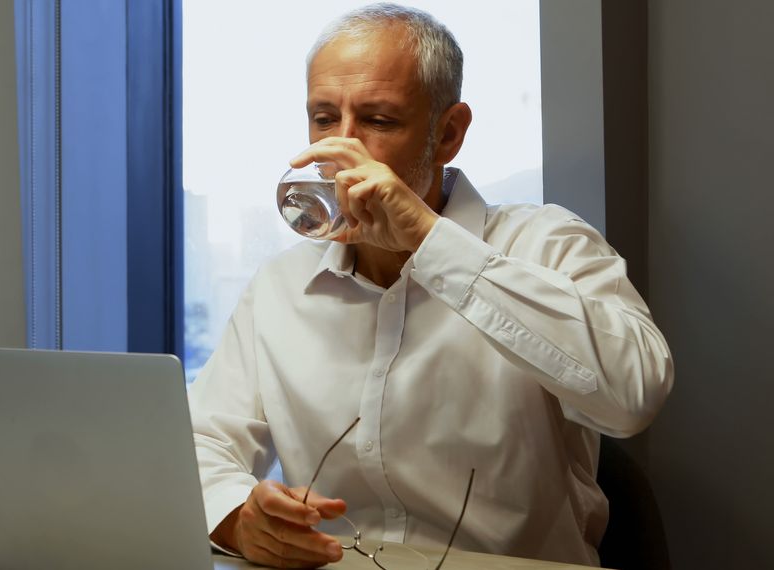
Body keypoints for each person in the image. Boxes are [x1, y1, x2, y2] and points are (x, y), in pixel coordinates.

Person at [187, 3, 673, 568]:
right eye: (324, 118)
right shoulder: (280, 287)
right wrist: (239, 516)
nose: (340, 153)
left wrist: (428, 239)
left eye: (378, 121)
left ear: (448, 133)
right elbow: (199, 445)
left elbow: (633, 395)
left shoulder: (547, 244)